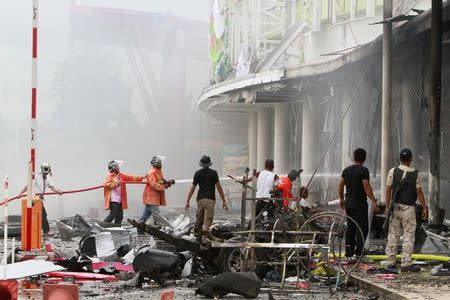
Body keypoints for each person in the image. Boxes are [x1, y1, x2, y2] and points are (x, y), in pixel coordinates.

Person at [385, 148, 428, 272]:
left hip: (395, 208)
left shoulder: (392, 171)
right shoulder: (415, 173)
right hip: (409, 209)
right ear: (410, 159)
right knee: (408, 235)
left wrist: (387, 207)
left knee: (393, 234)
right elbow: (419, 192)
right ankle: (406, 262)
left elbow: (388, 190)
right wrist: (424, 207)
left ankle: (391, 261)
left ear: (400, 158)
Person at [339, 148, 379, 258]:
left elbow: (341, 185)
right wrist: (373, 201)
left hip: (349, 203)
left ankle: (349, 252)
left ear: (354, 157)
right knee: (362, 227)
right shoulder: (363, 171)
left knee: (350, 226)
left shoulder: (346, 170)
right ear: (364, 158)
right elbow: (366, 186)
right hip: (359, 203)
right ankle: (359, 251)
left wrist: (342, 199)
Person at [185, 154, 228, 243]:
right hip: (210, 200)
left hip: (200, 200)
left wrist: (187, 201)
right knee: (207, 221)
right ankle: (204, 241)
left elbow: (192, 188)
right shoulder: (214, 173)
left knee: (199, 221)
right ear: (209, 164)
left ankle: (197, 239)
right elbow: (219, 187)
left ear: (201, 164)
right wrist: (224, 201)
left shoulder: (197, 173)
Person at [20, 162, 62, 235]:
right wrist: (21, 193)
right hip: (33, 199)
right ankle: (44, 231)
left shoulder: (48, 178)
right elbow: (28, 185)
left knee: (41, 214)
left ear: (49, 169)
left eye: (47, 169)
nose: (46, 170)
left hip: (39, 199)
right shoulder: (36, 176)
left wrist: (58, 190)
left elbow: (52, 187)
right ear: (42, 169)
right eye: (45, 169)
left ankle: (42, 231)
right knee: (39, 214)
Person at [104, 160, 144, 225]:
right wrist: (116, 184)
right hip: (113, 199)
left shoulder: (120, 175)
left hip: (119, 200)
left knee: (120, 216)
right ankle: (102, 226)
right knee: (113, 214)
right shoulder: (110, 175)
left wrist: (142, 177)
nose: (118, 168)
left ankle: (116, 227)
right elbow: (107, 184)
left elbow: (130, 177)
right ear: (113, 168)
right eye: (117, 166)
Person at [140, 156, 174, 224]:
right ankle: (158, 229)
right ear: (156, 164)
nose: (161, 164)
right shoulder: (152, 172)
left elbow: (161, 182)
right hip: (151, 197)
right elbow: (154, 184)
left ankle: (139, 226)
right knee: (157, 215)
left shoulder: (158, 172)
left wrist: (168, 182)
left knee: (146, 214)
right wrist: (164, 185)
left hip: (154, 198)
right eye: (160, 163)